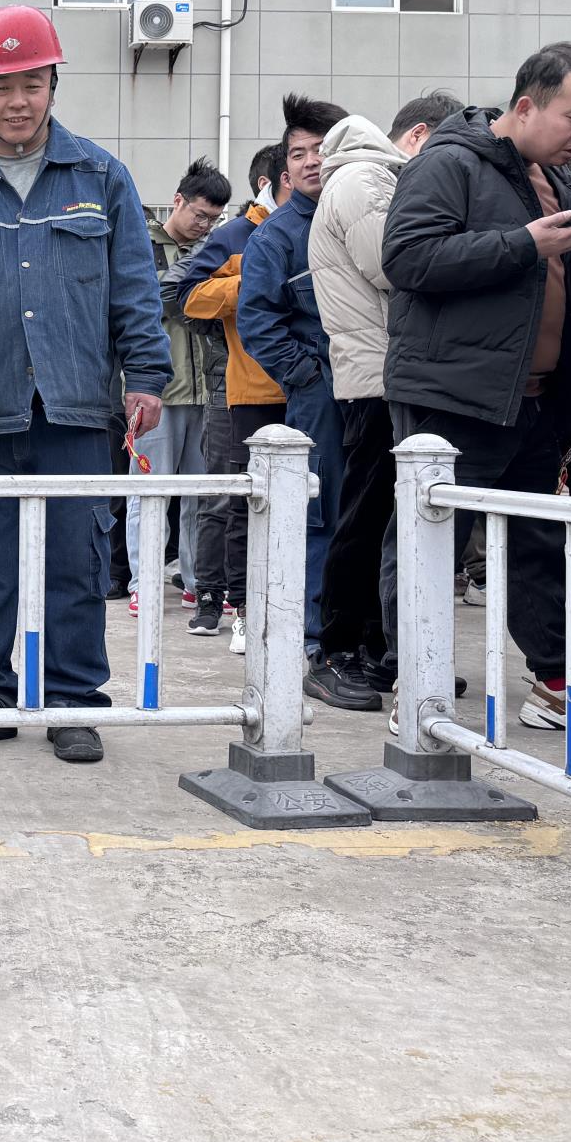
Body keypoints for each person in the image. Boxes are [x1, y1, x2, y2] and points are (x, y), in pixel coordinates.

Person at [0, 5, 172, 764]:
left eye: (31, 84)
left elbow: (135, 288)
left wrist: (146, 375)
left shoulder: (102, 180)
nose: (17, 102)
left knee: (75, 562)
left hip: (75, 409)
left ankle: (73, 699)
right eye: (1, 87)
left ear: (53, 85)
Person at [382, 43, 571, 733]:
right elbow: (407, 258)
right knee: (431, 542)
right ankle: (415, 683)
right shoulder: (448, 163)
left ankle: (555, 680)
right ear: (527, 106)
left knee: (536, 541)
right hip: (454, 395)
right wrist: (523, 244)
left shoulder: (556, 179)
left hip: (535, 397)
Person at [308, 92, 458, 693]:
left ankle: (374, 644)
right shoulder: (365, 179)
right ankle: (336, 649)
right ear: (419, 135)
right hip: (376, 371)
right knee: (366, 514)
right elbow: (399, 266)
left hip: (381, 368)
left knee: (383, 514)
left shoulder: (369, 178)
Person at [239, 94, 375, 709]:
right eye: (298, 154)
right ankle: (319, 650)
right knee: (322, 520)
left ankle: (371, 646)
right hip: (321, 399)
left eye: (322, 149)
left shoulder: (370, 213)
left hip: (375, 394)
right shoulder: (276, 239)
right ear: (284, 169)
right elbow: (258, 321)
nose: (312, 161)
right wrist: (309, 377)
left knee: (371, 518)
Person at [177, 146, 289, 655]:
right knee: (224, 495)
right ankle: (212, 596)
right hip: (231, 383)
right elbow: (182, 294)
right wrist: (254, 281)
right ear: (272, 181)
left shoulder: (316, 226)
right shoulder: (236, 236)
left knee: (286, 500)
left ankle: (271, 602)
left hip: (301, 385)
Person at [126, 158, 230, 617]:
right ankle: (143, 582)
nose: (204, 226)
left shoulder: (214, 250)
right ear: (178, 201)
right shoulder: (140, 245)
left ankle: (196, 581)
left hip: (207, 389)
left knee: (200, 495)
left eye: (214, 219)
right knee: (149, 492)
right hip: (156, 391)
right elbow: (144, 303)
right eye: (200, 215)